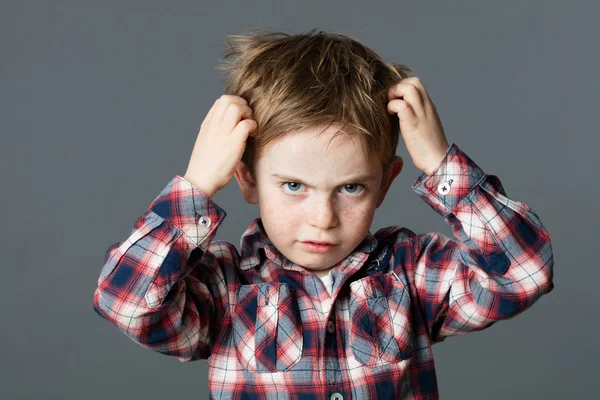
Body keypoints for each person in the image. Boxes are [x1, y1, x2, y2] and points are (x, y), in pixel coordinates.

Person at [92, 28, 554, 399]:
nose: (323, 217)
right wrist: (195, 188)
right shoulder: (227, 288)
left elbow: (523, 272)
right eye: (294, 186)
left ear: (385, 183)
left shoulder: (412, 274)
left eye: (351, 187)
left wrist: (440, 165)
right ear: (247, 178)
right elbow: (127, 304)